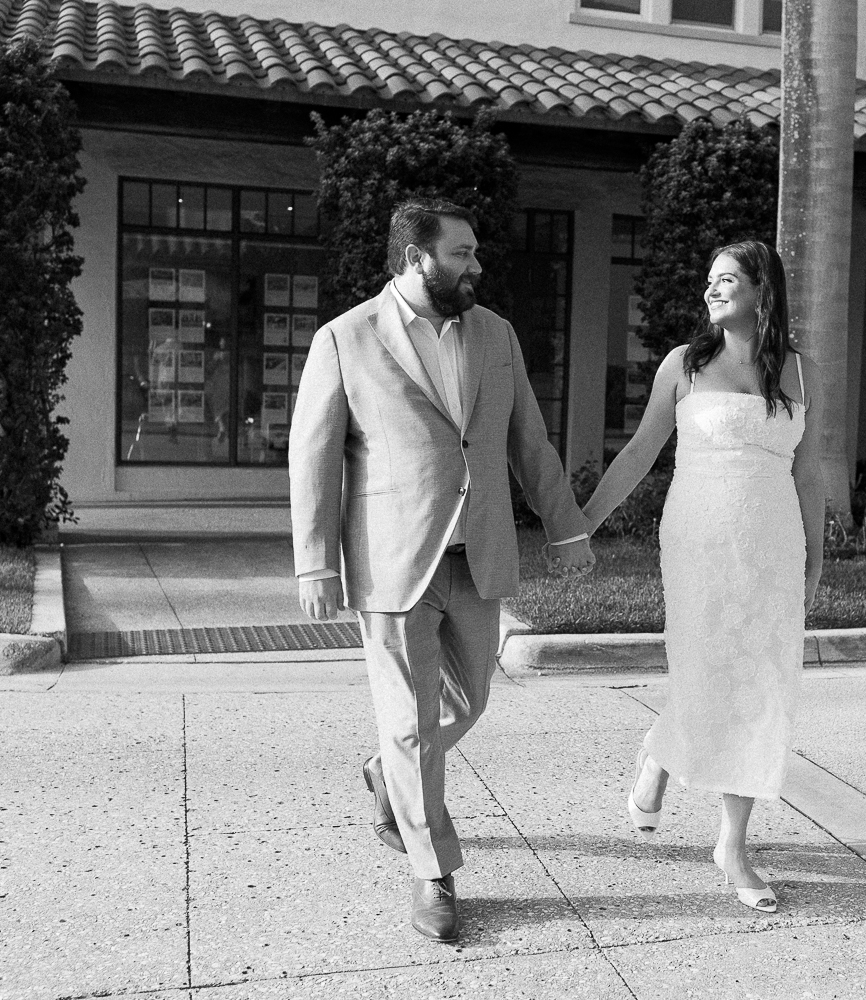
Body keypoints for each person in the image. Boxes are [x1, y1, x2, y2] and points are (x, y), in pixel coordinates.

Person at [290, 198, 595, 943]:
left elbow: (530, 439)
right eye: (461, 252)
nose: (476, 264)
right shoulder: (346, 338)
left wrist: (567, 527)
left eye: (475, 252)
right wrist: (314, 562)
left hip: (478, 553)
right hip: (392, 563)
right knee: (413, 723)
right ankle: (433, 873)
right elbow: (314, 455)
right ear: (415, 258)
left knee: (470, 702)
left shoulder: (494, 334)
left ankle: (385, 771)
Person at [581, 240, 824, 913]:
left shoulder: (801, 371)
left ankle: (731, 844)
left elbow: (810, 470)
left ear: (762, 293)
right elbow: (638, 452)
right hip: (697, 541)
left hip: (773, 541)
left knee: (761, 682)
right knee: (705, 671)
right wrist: (584, 523)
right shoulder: (683, 367)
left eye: (727, 280)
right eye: (709, 280)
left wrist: (817, 558)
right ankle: (662, 756)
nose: (712, 291)